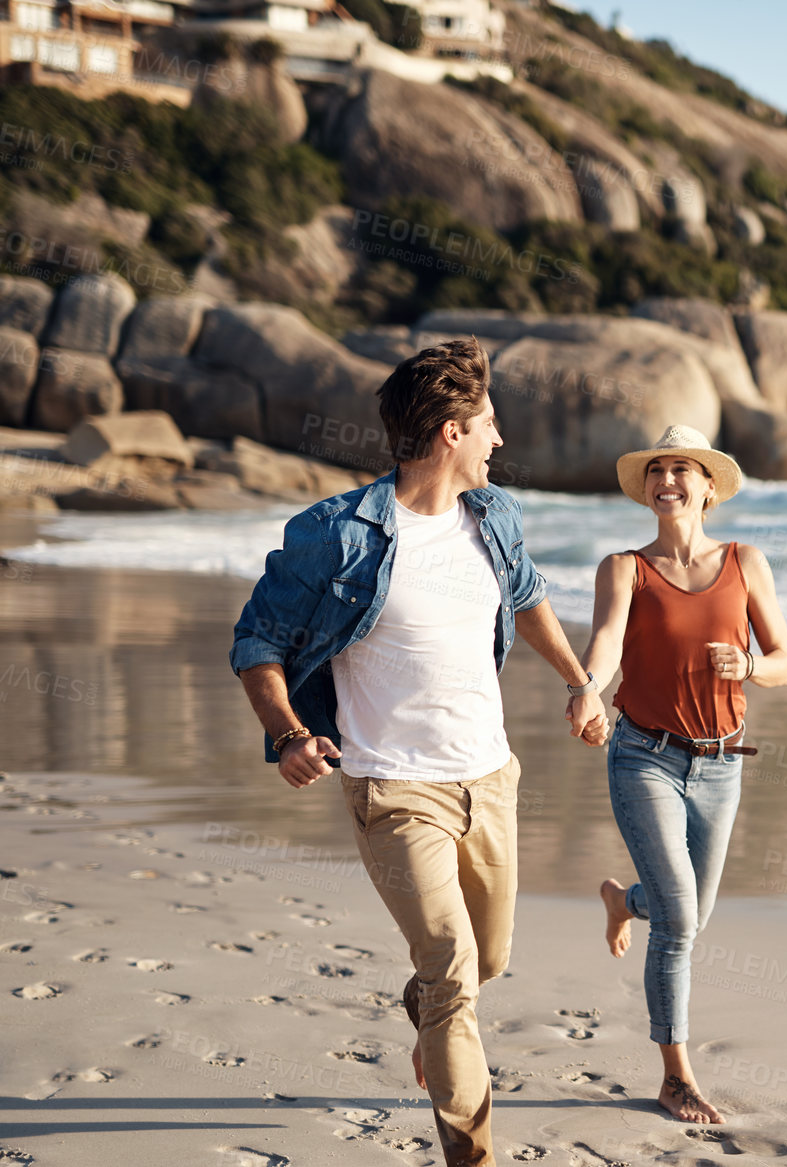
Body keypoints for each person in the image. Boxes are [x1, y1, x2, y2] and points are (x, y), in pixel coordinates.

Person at [229, 338, 609, 1167]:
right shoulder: (338, 534)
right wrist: (290, 732)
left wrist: (581, 681)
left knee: (488, 961)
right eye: (487, 427)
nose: (497, 442)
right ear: (449, 433)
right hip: (394, 790)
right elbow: (256, 639)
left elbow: (530, 596)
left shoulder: (494, 516)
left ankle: (434, 1020)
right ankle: (471, 1153)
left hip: (491, 779)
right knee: (451, 974)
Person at [577, 425, 787, 1124]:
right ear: (647, 489)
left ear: (708, 488)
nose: (668, 479)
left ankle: (623, 900)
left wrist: (752, 668)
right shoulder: (623, 567)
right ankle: (675, 1075)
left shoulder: (745, 561)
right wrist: (586, 688)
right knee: (679, 920)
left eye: (683, 470)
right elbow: (606, 643)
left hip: (723, 763)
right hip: (644, 754)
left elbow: (785, 656)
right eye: (658, 470)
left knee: (689, 914)